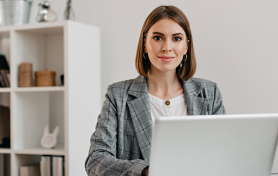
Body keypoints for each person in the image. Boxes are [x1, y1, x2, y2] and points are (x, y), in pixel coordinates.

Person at [85, 5, 226, 176]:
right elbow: (96, 160)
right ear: (145, 44)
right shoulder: (118, 94)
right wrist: (146, 171)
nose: (167, 47)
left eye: (176, 38)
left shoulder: (209, 92)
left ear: (186, 47)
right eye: (158, 38)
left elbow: (223, 155)